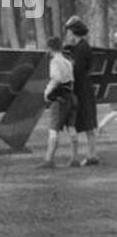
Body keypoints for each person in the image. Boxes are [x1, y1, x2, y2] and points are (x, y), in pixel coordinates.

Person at [64, 17, 99, 167]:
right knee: (87, 123)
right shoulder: (80, 47)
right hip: (84, 87)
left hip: (82, 89)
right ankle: (92, 154)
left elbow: (77, 70)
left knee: (87, 122)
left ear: (74, 33)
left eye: (68, 32)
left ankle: (91, 155)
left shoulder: (81, 48)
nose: (67, 35)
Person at [41, 36, 76, 168]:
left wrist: (47, 92)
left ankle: (49, 160)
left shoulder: (55, 61)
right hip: (71, 96)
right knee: (71, 127)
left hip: (59, 98)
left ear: (50, 48)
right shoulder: (67, 62)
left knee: (53, 129)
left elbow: (56, 78)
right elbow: (71, 80)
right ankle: (74, 158)